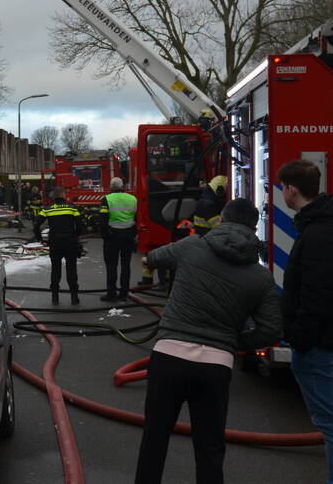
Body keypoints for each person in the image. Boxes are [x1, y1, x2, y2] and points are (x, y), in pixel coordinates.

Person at [134, 198, 282, 484]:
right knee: (210, 448)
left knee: (155, 438)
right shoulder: (262, 278)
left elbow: (151, 259)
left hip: (168, 357)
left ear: (221, 220)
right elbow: (272, 330)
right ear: (254, 228)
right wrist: (234, 342)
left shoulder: (192, 246)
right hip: (215, 368)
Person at [277, 158, 333, 483]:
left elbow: (317, 295)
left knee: (329, 423)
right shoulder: (319, 225)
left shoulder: (317, 234)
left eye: (283, 188)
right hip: (322, 341)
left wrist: (298, 337)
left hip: (318, 346)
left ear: (291, 190)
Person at [33, 187, 83, 305]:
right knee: (71, 270)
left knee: (56, 270)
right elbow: (80, 224)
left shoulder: (48, 208)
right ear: (63, 195)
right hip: (70, 242)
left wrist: (40, 239)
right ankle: (74, 297)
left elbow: (36, 224)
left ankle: (55, 298)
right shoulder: (72, 207)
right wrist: (76, 236)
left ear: (54, 196)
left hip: (55, 243)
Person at [99, 177, 138, 302]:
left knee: (112, 265)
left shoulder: (106, 199)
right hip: (128, 236)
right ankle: (124, 293)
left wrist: (105, 236)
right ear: (123, 187)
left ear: (111, 187)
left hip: (113, 237)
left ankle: (111, 293)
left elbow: (103, 219)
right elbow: (136, 217)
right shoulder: (132, 199)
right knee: (126, 265)